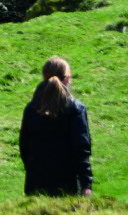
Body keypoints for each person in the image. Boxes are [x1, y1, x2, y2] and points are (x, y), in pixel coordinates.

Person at [18, 57, 92, 197]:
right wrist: (86, 183)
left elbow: (24, 146)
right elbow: (81, 148)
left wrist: (32, 169)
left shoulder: (31, 109)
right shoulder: (75, 109)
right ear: (67, 79)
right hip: (68, 182)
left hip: (36, 181)